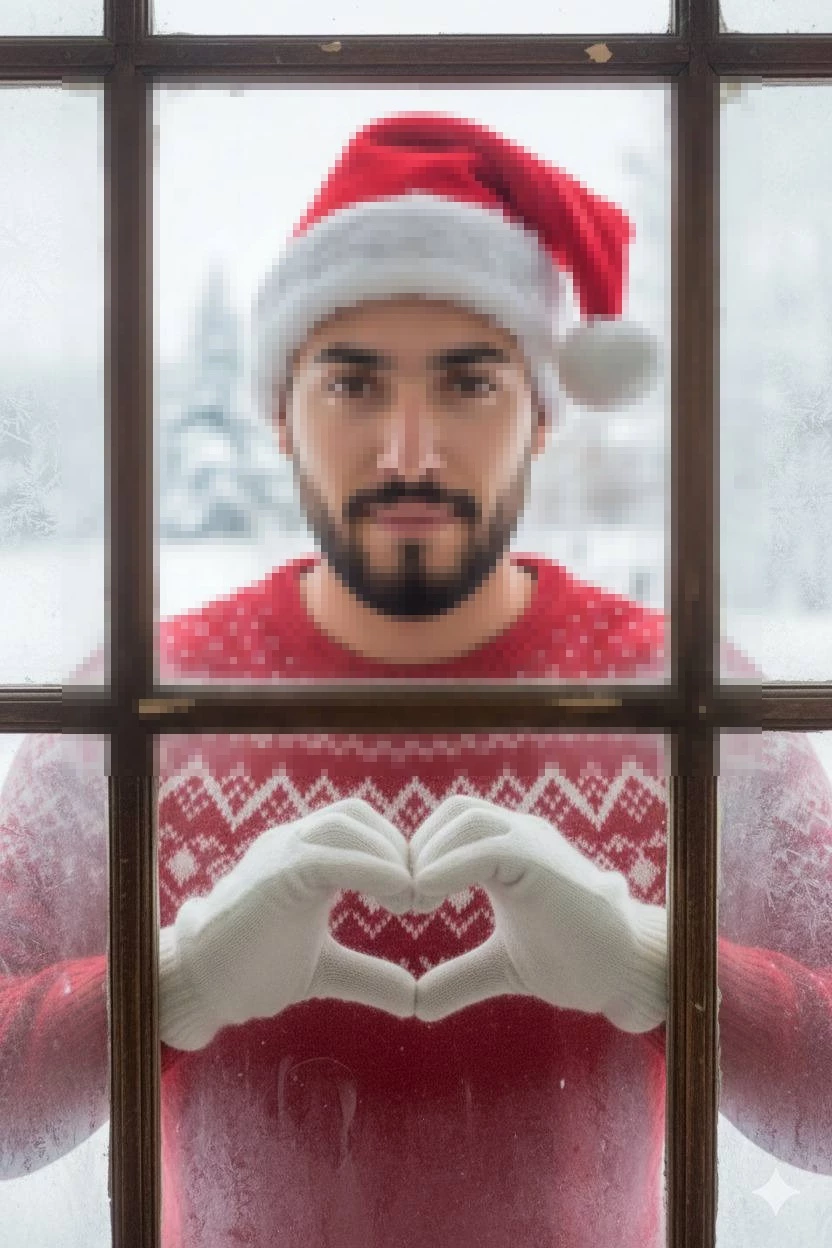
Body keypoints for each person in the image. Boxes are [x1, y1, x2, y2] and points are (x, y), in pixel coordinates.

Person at [1, 113, 830, 1247]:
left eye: (467, 384)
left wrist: (660, 972)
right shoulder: (140, 703)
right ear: (279, 415)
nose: (408, 453)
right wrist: (169, 986)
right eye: (352, 385)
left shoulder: (682, 697)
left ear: (542, 415)